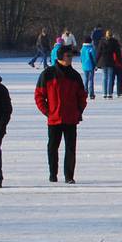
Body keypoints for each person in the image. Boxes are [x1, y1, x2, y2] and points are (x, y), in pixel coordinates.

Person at [33, 45, 87, 183]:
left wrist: (78, 111)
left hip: (70, 118)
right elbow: (39, 96)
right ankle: (53, 174)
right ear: (60, 57)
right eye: (68, 56)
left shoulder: (75, 76)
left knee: (70, 148)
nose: (70, 59)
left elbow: (82, 96)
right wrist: (47, 112)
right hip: (54, 118)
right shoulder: (47, 74)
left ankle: (69, 176)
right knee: (52, 147)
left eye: (71, 56)